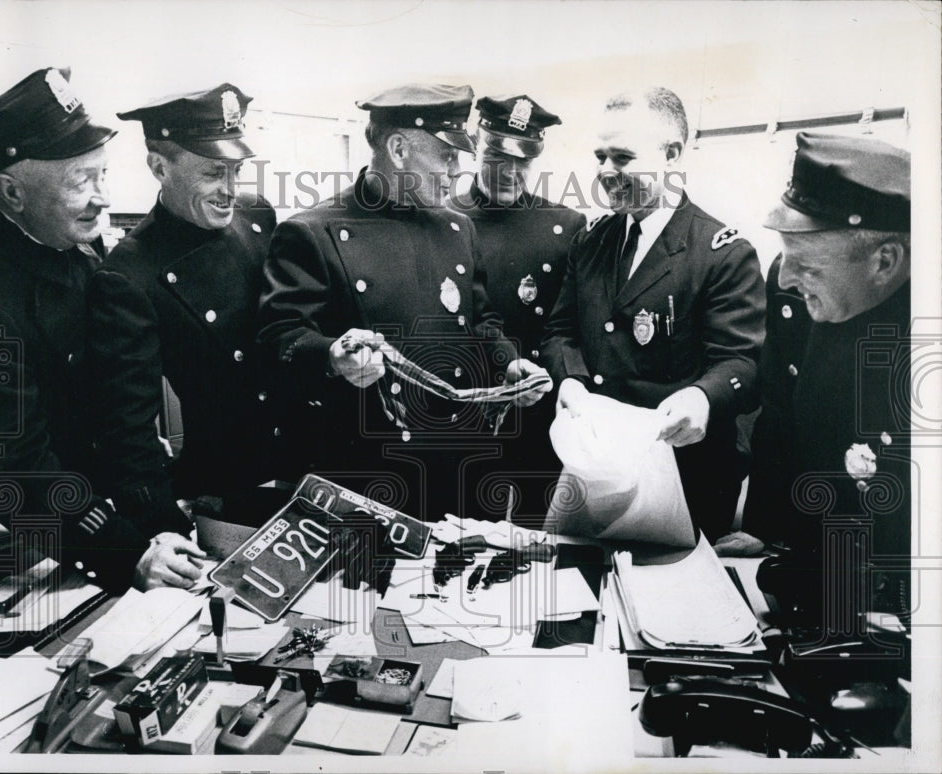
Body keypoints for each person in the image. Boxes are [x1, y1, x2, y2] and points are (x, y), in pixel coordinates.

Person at [257, 83, 549, 521]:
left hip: (458, 464)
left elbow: (481, 319)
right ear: (398, 149)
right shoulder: (311, 231)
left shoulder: (457, 228)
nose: (456, 172)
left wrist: (508, 362)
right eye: (447, 156)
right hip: (366, 472)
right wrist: (333, 356)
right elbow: (279, 340)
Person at [0, 67, 205, 593]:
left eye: (102, 174)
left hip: (87, 505)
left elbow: (117, 400)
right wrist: (127, 555)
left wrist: (160, 518)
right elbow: (17, 467)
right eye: (82, 181)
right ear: (11, 191)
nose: (103, 198)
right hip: (26, 527)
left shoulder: (63, 232)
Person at [540, 87, 765, 541]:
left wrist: (701, 397)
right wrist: (570, 381)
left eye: (622, 157)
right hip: (594, 468)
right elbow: (561, 330)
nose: (605, 171)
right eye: (600, 156)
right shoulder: (592, 242)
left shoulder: (722, 253)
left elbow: (741, 361)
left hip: (683, 475)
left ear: (672, 154)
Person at [714, 133, 911, 621]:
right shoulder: (795, 290)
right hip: (814, 562)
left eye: (806, 265)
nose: (783, 279)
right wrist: (764, 521)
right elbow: (781, 406)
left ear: (884, 261)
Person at [86, 84, 289, 534]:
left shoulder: (258, 216)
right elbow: (129, 431)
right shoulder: (129, 275)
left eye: (237, 171)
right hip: (227, 485)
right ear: (159, 167)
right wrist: (162, 529)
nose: (230, 191)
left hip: (302, 464)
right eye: (214, 173)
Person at [448, 94, 586, 521]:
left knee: (538, 538)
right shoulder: (444, 216)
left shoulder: (564, 226)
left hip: (540, 414)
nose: (509, 172)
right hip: (467, 411)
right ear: (475, 143)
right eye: (495, 156)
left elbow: (571, 326)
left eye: (522, 160)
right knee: (463, 535)